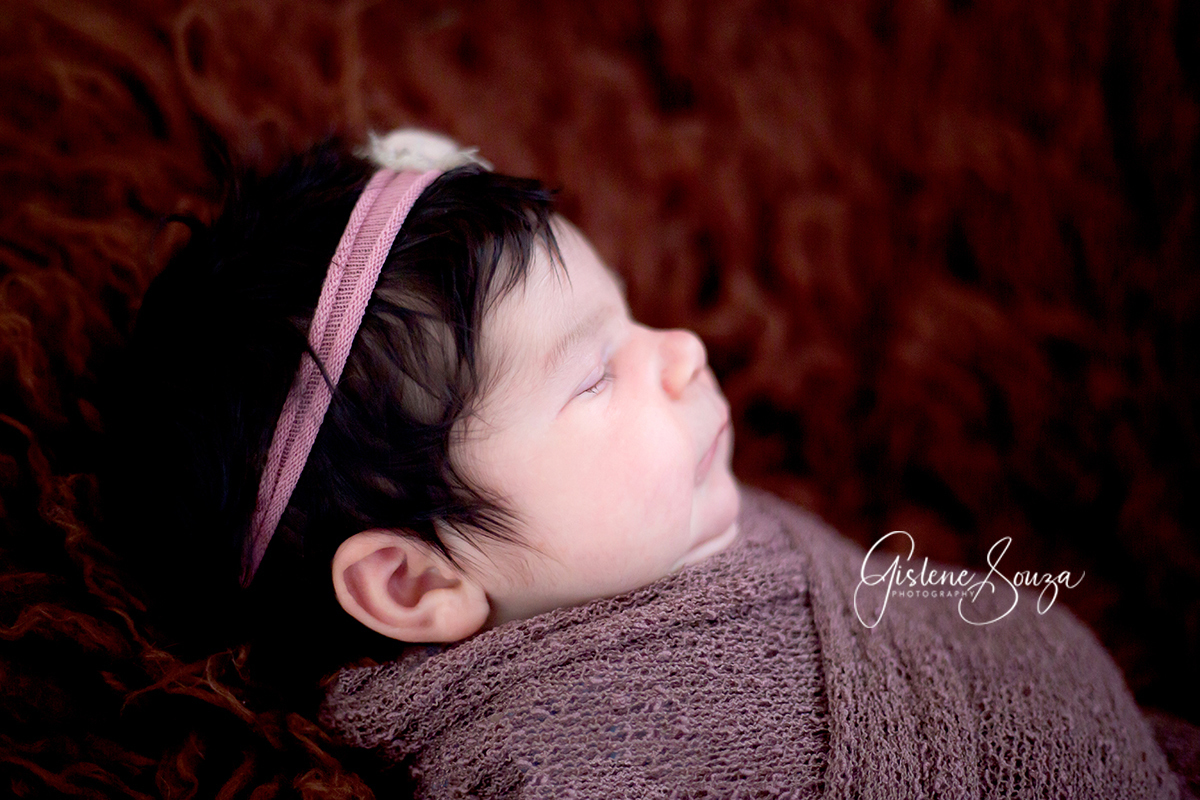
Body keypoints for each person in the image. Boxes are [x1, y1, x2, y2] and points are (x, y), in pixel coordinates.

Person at [107, 130, 1181, 798]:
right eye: (592, 375)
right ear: (415, 581)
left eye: (634, 320)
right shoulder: (562, 761)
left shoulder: (643, 536)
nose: (682, 352)